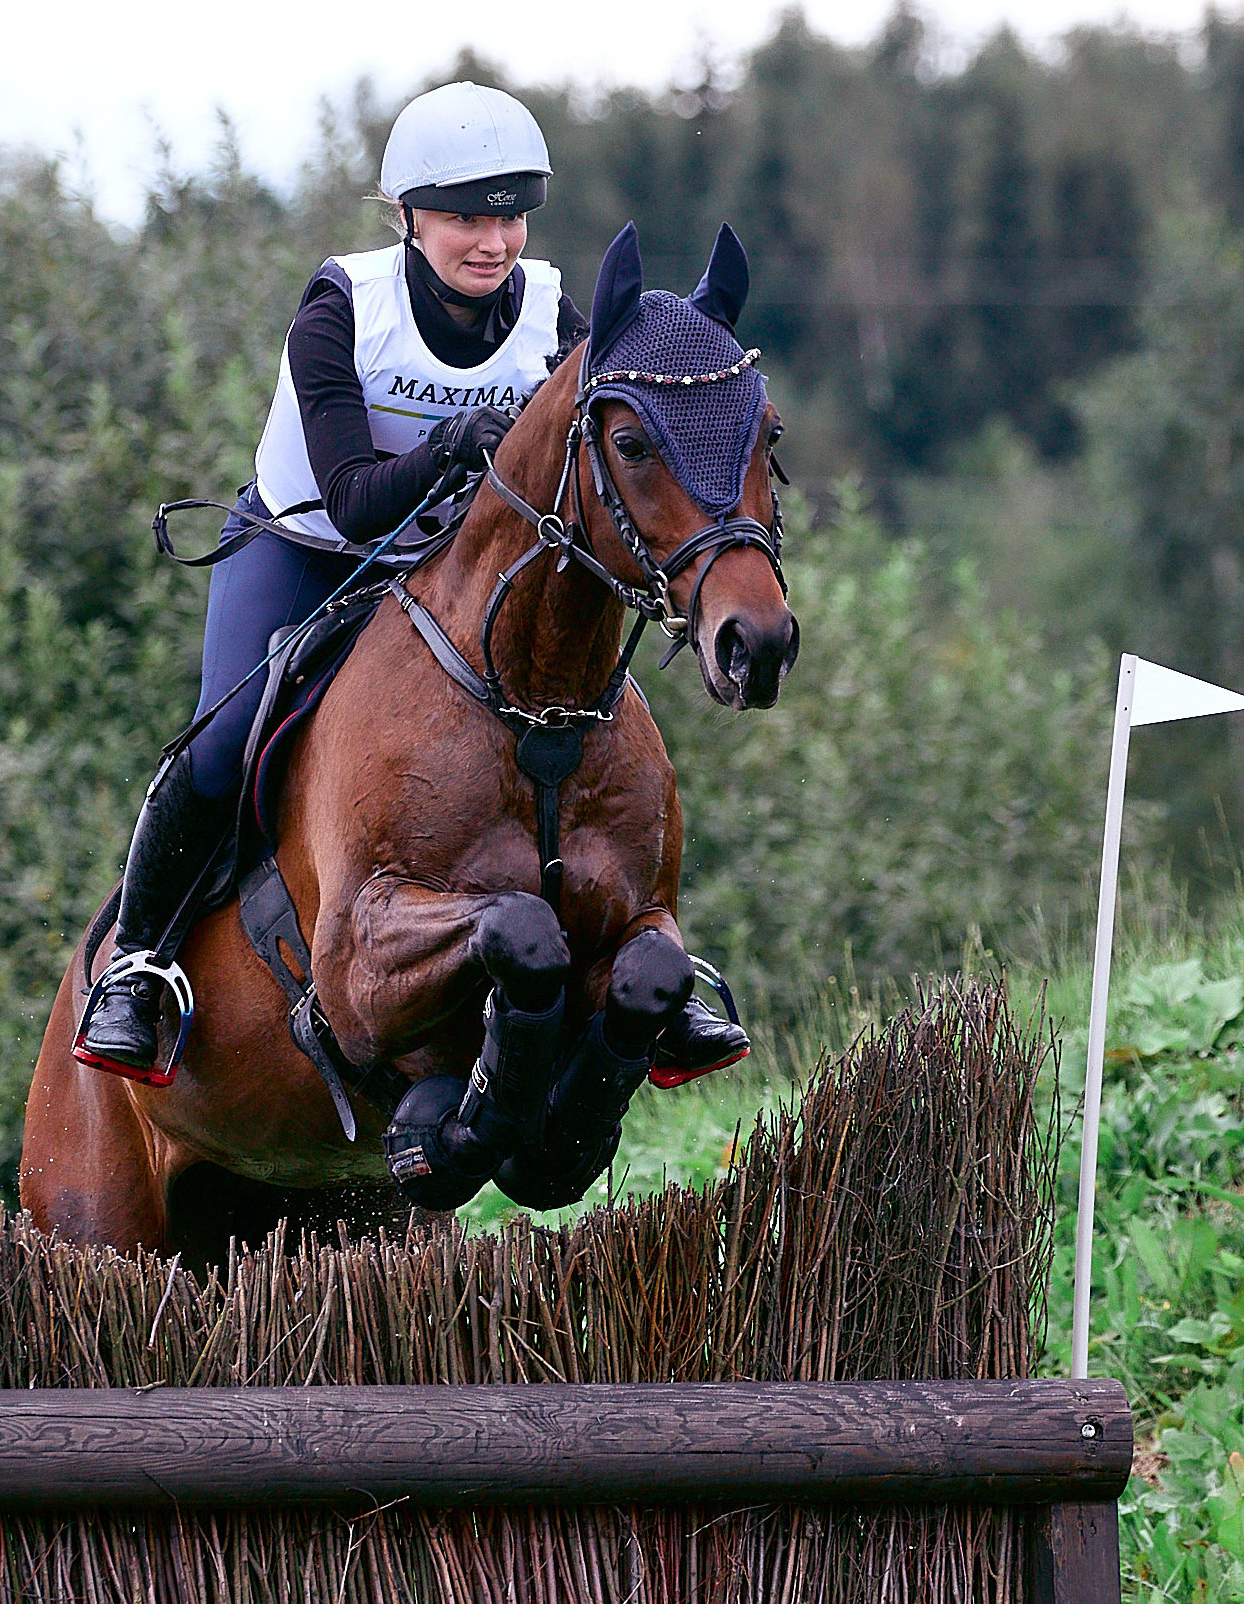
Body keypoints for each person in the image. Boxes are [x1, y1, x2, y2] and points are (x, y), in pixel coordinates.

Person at [75, 81, 747, 1090]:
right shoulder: (343, 307)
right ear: (408, 217)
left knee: (594, 711)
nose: (494, 241)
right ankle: (137, 965)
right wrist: (452, 445)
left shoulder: (551, 315)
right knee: (224, 734)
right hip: (307, 547)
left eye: (510, 218)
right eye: (467, 218)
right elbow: (351, 502)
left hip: (458, 568)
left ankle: (652, 963)